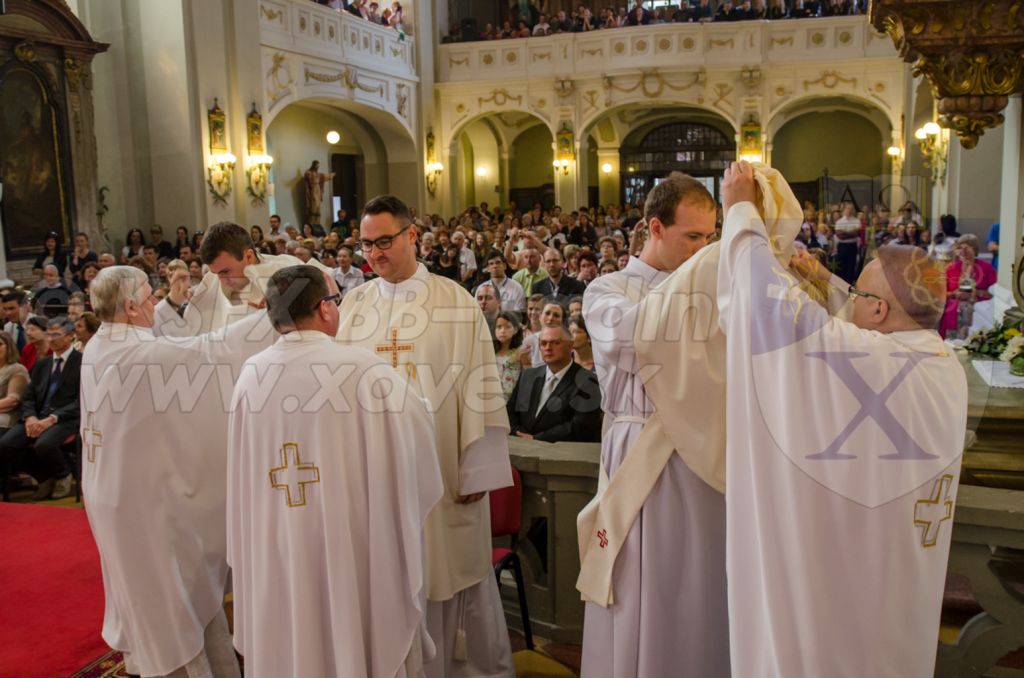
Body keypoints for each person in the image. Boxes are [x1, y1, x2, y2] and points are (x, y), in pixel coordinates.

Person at [718, 160, 967, 677]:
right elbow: (866, 321)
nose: (847, 297)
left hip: (842, 592)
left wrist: (741, 212)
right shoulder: (944, 367)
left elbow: (772, 310)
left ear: (876, 311)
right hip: (901, 583)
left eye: (857, 291)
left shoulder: (867, 361)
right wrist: (826, 278)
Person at [227, 265, 442, 677]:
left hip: (278, 544)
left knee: (292, 636)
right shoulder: (361, 370)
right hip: (349, 545)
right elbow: (416, 436)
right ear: (325, 309)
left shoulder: (250, 375)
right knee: (353, 633)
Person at [336, 195, 514, 678]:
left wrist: (477, 467)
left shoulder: (455, 300)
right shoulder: (353, 304)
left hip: (440, 471)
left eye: (384, 242)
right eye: (366, 245)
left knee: (445, 576)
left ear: (412, 236)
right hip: (373, 474)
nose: (374, 254)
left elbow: (481, 384)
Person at [81, 266, 274, 678]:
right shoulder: (135, 355)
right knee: (171, 609)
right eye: (150, 296)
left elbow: (171, 348)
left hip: (115, 495)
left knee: (172, 600)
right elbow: (211, 352)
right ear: (131, 307)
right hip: (146, 508)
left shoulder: (100, 345)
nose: (156, 301)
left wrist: (179, 304)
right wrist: (276, 315)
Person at [577, 171, 724, 677]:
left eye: (712, 237)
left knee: (698, 580)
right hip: (639, 445)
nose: (705, 248)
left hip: (702, 454)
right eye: (693, 237)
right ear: (655, 228)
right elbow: (632, 337)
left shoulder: (713, 288)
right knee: (643, 580)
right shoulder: (607, 289)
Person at [153, 221, 328, 336]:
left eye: (225, 271)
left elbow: (327, 311)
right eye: (216, 273)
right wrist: (174, 303)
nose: (221, 280)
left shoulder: (289, 269)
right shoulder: (210, 282)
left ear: (249, 256)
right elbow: (192, 336)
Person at [0, 317, 79, 500]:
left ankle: (63, 474)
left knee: (45, 444)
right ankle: (44, 477)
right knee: (6, 444)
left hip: (65, 419)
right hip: (37, 416)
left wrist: (52, 419)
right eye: (49, 334)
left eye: (56, 334)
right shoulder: (43, 364)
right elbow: (28, 397)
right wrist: (30, 418)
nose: (51, 339)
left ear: (70, 336)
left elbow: (80, 401)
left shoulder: (81, 362)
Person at [506, 324, 602, 442]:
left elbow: (580, 426)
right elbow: (510, 413)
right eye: (543, 343)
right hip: (522, 448)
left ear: (570, 346)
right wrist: (521, 435)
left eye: (555, 343)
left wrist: (536, 439)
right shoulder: (528, 376)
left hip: (563, 454)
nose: (548, 348)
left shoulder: (588, 381)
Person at [941, 234, 997, 339]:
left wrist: (977, 293)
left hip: (978, 314)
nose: (964, 251)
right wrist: (954, 294)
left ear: (975, 250)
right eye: (961, 247)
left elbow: (995, 293)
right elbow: (941, 293)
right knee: (951, 345)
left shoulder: (987, 269)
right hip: (953, 314)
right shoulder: (951, 269)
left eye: (968, 247)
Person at [493, 310, 530, 401]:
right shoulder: (490, 351)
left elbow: (529, 375)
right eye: (499, 327)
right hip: (492, 398)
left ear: (515, 329)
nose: (502, 331)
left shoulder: (521, 350)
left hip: (512, 400)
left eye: (507, 327)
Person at [303, 160, 335, 226]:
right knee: (313, 205)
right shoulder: (309, 173)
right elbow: (307, 180)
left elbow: (325, 177)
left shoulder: (318, 174)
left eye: (318, 165)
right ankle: (312, 223)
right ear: (313, 165)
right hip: (313, 189)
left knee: (318, 206)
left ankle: (317, 223)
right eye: (316, 165)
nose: (317, 167)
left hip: (318, 189)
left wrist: (332, 175)